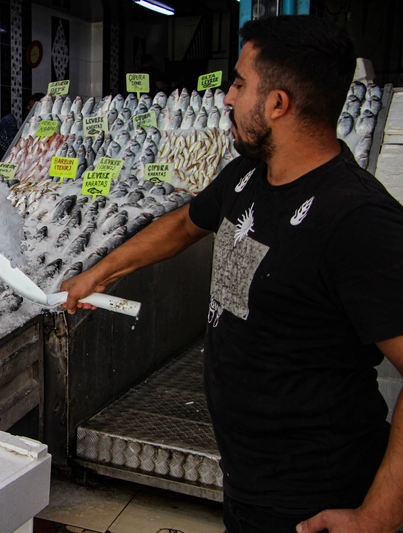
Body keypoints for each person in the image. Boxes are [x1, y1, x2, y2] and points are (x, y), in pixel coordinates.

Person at [61, 16, 403, 533]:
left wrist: (379, 515)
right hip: (245, 478)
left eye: (239, 83)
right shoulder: (247, 175)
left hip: (315, 498)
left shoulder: (358, 220)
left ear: (278, 104)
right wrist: (99, 273)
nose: (225, 97)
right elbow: (183, 224)